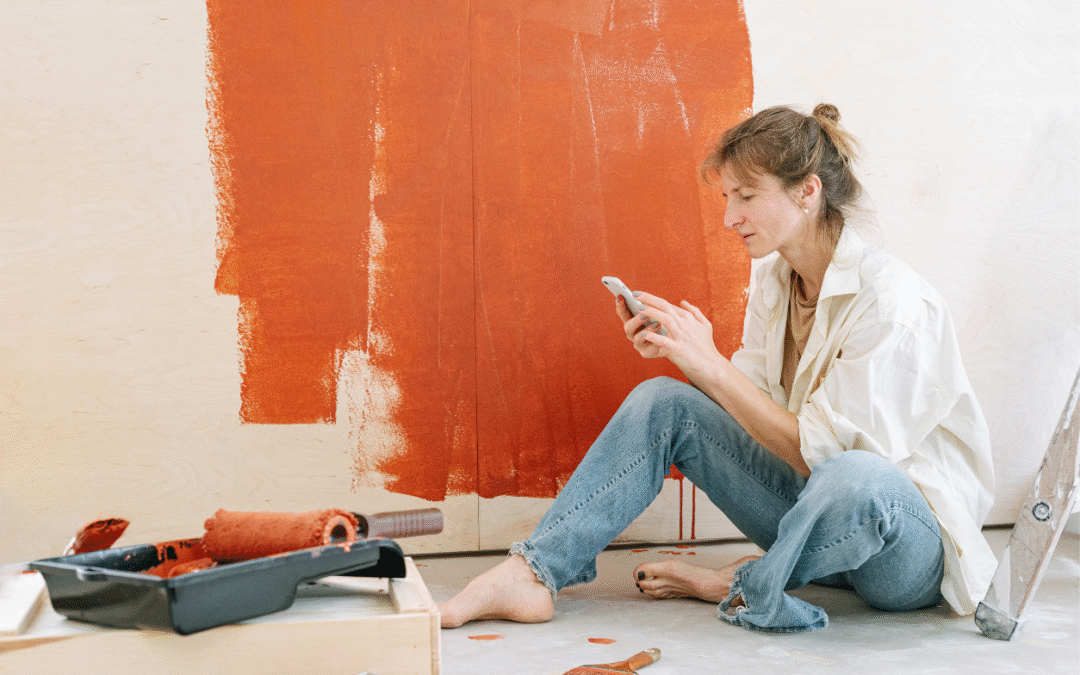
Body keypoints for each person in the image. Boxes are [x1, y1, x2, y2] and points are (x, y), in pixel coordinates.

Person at [438, 104, 997, 633]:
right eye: (728, 197)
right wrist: (684, 356)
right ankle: (532, 574)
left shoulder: (894, 303)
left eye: (746, 196)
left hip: (900, 553)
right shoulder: (777, 280)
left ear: (808, 192)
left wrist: (710, 363)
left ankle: (745, 583)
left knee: (854, 475)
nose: (730, 217)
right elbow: (750, 417)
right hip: (811, 523)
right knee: (664, 402)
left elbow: (827, 460)